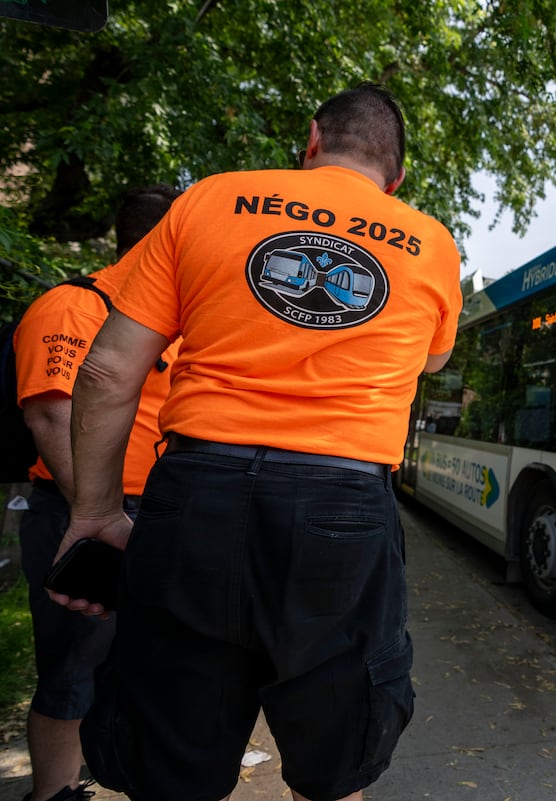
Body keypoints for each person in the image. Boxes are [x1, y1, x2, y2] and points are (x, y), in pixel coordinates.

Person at [50, 83, 463, 801]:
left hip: (194, 495)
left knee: (170, 759)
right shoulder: (429, 242)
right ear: (395, 178)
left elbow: (108, 370)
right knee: (335, 758)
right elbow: (431, 361)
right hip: (344, 507)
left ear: (311, 141)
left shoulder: (210, 200)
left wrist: (94, 515)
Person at [13, 184, 182, 801]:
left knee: (141, 664)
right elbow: (53, 418)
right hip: (84, 512)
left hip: (153, 516)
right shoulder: (73, 307)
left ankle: (111, 772)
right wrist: (98, 513)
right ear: (164, 241)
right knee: (74, 666)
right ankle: (53, 794)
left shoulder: (170, 323)